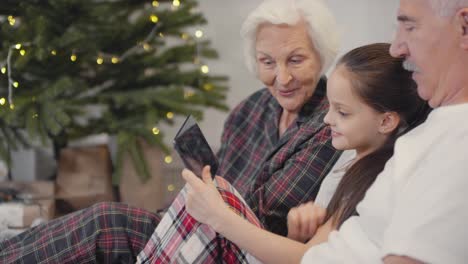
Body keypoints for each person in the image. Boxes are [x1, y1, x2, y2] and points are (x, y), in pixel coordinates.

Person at [0, 0, 342, 262]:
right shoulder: (250, 110)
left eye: (295, 60)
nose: (281, 78)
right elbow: (217, 177)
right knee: (98, 222)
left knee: (106, 221)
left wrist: (205, 200)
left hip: (238, 249)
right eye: (268, 62)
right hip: (198, 227)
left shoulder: (332, 123)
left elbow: (263, 215)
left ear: (321, 56)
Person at [136, 43, 431, 263]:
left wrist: (219, 216)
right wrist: (296, 232)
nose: (327, 119)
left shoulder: (375, 179)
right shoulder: (351, 163)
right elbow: (312, 250)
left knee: (218, 197)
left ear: (386, 120)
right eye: (329, 107)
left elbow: (306, 258)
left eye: (341, 112)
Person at [302, 0, 468, 263]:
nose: (396, 48)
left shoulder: (459, 141)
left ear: (464, 27)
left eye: (410, 27)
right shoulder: (426, 134)